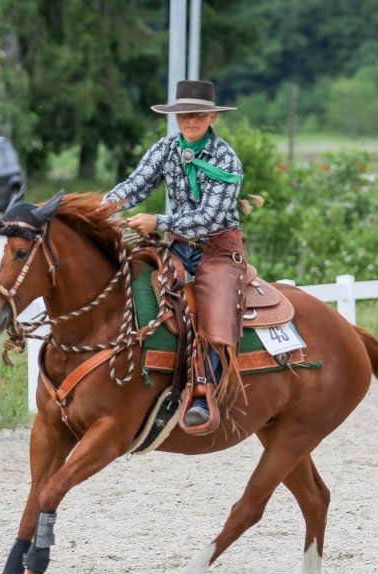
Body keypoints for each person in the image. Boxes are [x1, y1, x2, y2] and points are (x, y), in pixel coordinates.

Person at [105, 79, 245, 434]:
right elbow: (135, 185)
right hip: (177, 245)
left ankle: (204, 393)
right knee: (126, 282)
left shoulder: (226, 158)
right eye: (184, 114)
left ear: (212, 116)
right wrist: (99, 210)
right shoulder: (166, 148)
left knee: (214, 308)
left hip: (218, 248)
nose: (190, 120)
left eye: (198, 114)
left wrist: (158, 220)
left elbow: (211, 218)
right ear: (176, 118)